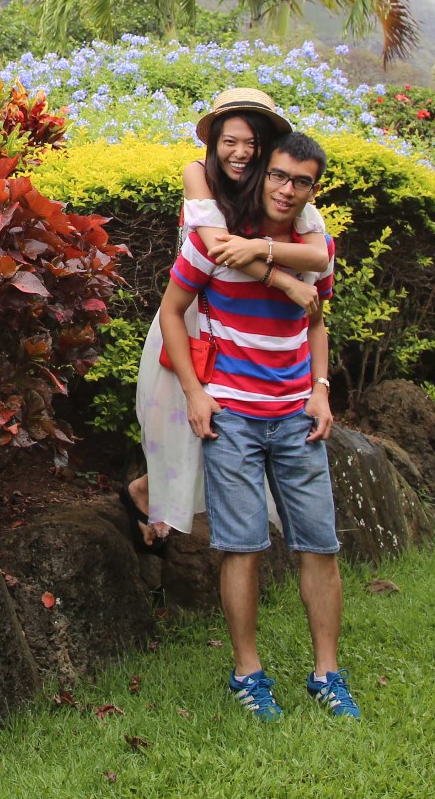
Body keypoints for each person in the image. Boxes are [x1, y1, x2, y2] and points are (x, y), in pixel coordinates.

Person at [157, 131, 359, 721]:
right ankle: (248, 673)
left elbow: (316, 316)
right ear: (260, 174)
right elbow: (171, 310)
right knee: (241, 547)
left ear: (313, 189)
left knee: (319, 545)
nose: (287, 189)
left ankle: (327, 674)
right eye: (278, 175)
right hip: (232, 416)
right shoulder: (212, 241)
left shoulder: (314, 243)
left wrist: (322, 390)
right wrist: (195, 393)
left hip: (297, 414)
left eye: (302, 181)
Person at [122, 89, 331, 549]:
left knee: (223, 429)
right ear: (214, 140)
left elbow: (318, 250)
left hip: (239, 314)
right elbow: (219, 248)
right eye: (230, 141)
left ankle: (149, 496)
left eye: (252, 143)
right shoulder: (198, 173)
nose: (241, 153)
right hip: (196, 312)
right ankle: (148, 498)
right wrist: (286, 281)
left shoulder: (277, 184)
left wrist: (272, 257)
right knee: (189, 419)